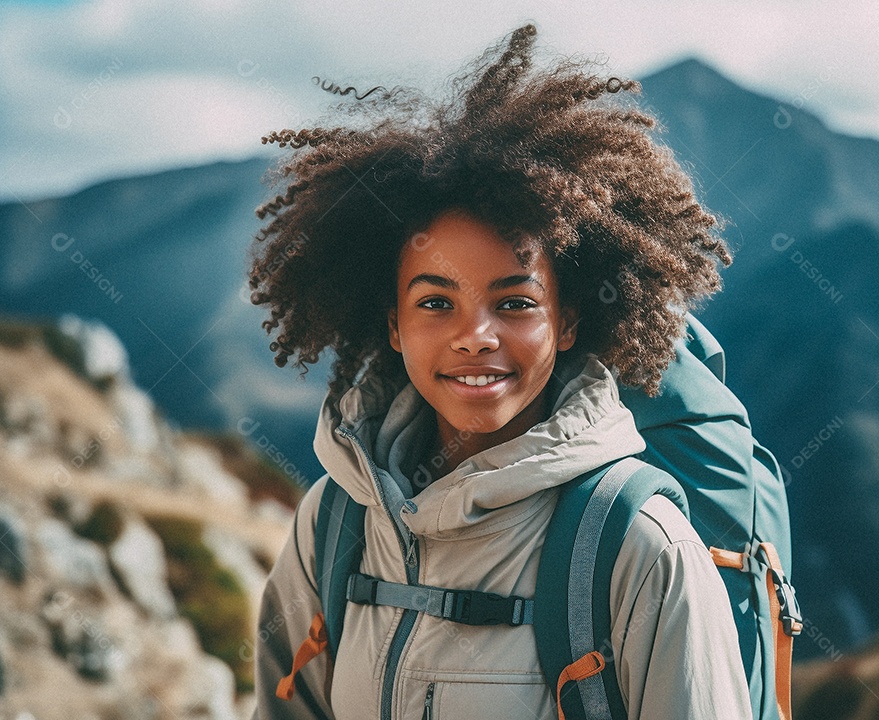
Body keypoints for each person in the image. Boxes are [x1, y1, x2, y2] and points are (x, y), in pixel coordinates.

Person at [248, 24, 752, 720]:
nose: (474, 336)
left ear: (567, 320)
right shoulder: (334, 526)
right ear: (393, 323)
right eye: (435, 302)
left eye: (514, 302)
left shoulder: (639, 549)